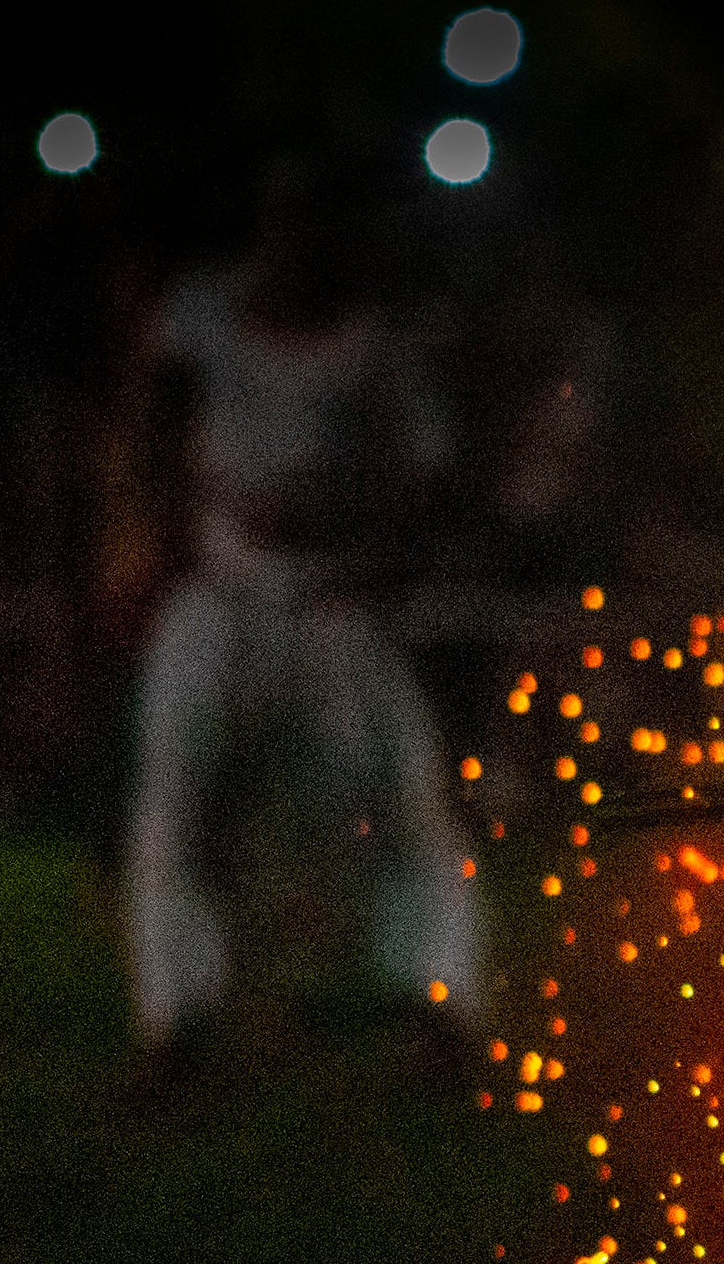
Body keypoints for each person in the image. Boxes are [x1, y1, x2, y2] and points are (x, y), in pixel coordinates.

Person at [119, 162, 481, 1089]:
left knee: (410, 811)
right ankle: (176, 1026)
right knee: (172, 812)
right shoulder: (200, 315)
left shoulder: (374, 341)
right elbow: (148, 434)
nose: (295, 245)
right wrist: (160, 540)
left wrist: (360, 543)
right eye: (281, 223)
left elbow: (423, 471)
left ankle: (439, 1012)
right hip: (219, 598)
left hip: (335, 607)